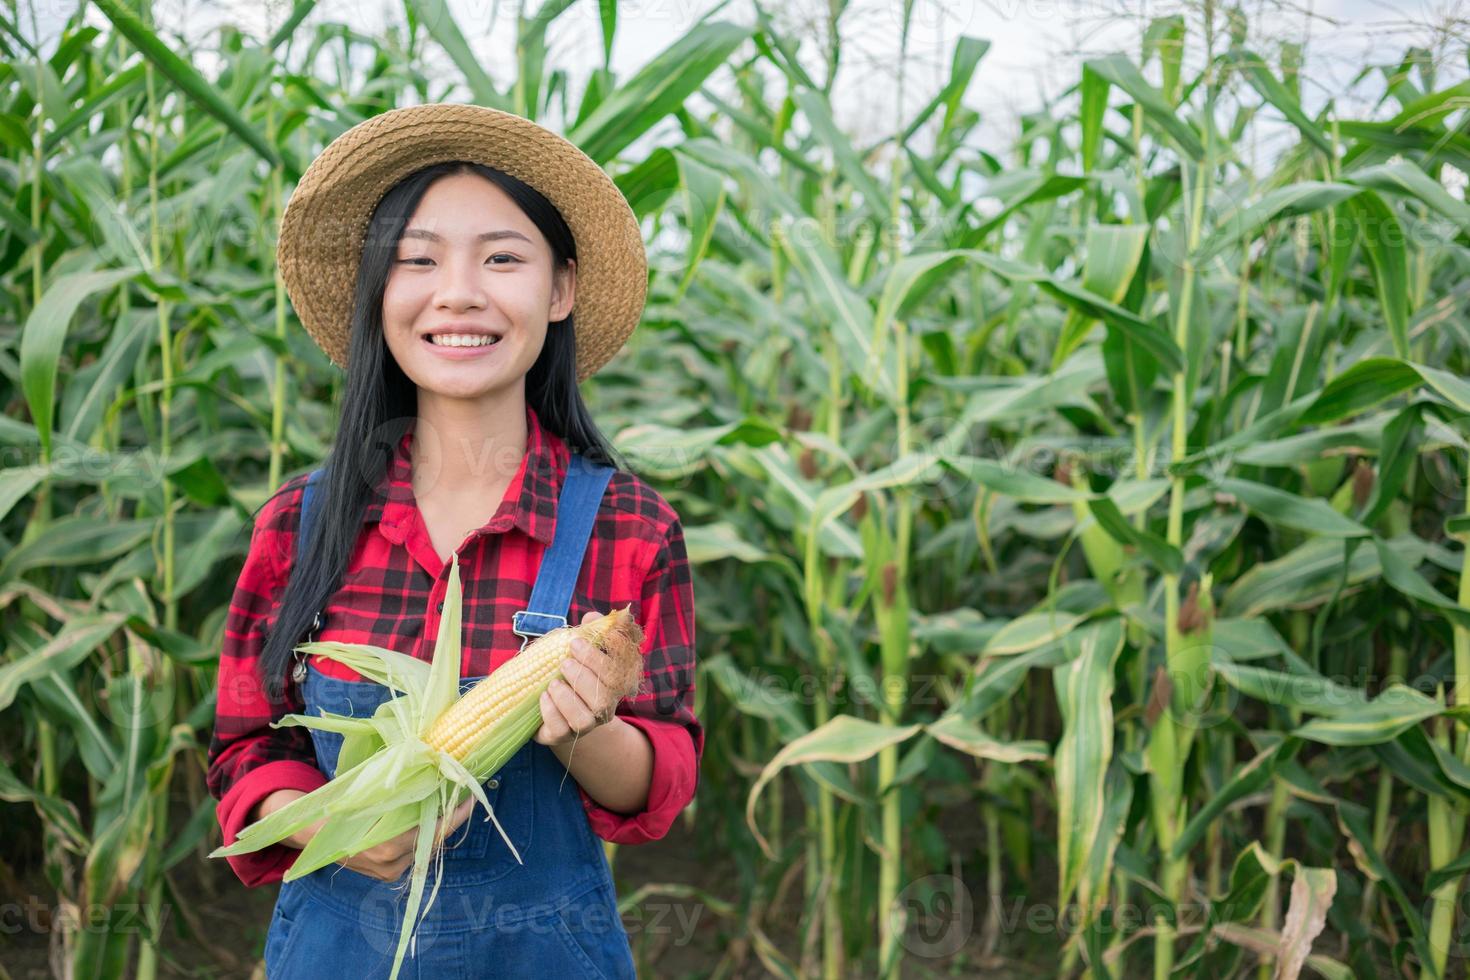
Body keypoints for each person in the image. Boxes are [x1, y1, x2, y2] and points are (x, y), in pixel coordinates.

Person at [204, 103, 701, 978]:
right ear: (378, 292)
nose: (459, 292)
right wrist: (338, 825)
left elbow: (657, 779)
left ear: (561, 290)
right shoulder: (298, 527)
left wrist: (584, 730)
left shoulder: (630, 528)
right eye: (416, 260)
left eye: (503, 257)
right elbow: (248, 753)